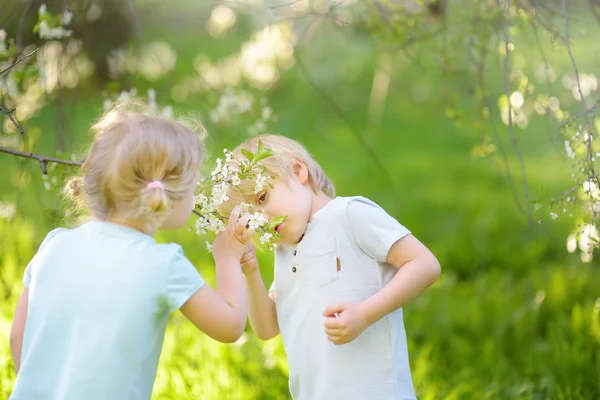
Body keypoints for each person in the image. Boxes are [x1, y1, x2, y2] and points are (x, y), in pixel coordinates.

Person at [9, 108, 253, 399]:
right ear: (166, 196)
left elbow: (18, 337)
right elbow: (229, 326)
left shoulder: (54, 244)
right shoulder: (163, 264)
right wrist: (226, 258)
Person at [223, 134, 441, 400]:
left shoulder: (349, 215)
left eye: (262, 198)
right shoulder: (285, 249)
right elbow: (267, 328)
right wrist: (251, 272)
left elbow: (424, 264)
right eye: (250, 216)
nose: (261, 220)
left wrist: (365, 313)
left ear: (297, 170)